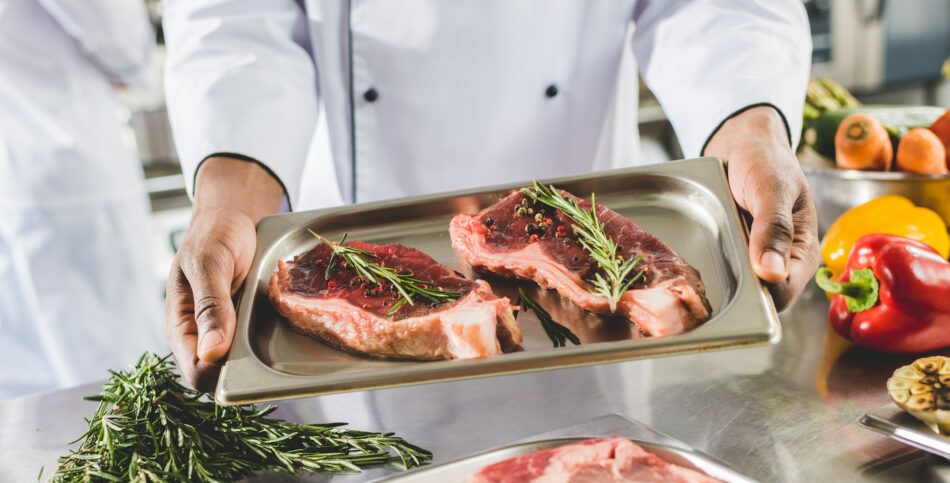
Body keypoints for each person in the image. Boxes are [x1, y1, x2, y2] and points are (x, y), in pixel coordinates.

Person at [162, 1, 820, 391]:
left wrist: (750, 125)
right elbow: (237, 22)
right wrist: (228, 197)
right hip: (342, 226)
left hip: (583, 209)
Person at [0, 0, 163, 399]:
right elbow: (125, 47)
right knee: (123, 387)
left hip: (16, 175)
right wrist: (140, 69)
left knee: (33, 392)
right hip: (70, 175)